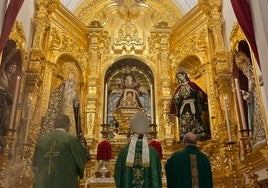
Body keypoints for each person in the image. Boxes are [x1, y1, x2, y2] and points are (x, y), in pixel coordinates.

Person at [32, 114, 88, 188]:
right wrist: (83, 144)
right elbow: (82, 156)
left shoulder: (42, 140)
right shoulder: (71, 140)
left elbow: (35, 164)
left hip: (43, 183)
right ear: (67, 125)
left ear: (54, 125)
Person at [114, 110, 162, 188]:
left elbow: (118, 174)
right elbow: (157, 174)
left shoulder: (124, 151)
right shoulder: (152, 152)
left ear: (133, 132)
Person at [170, 70, 210, 141]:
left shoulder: (192, 85)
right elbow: (175, 98)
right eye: (177, 77)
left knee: (195, 118)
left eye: (179, 76)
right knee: (184, 120)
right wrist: (176, 98)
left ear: (184, 75)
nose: (179, 78)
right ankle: (185, 135)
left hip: (193, 106)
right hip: (183, 107)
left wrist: (199, 97)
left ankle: (197, 133)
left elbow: (200, 93)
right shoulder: (179, 88)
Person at [0, 61, 17, 153]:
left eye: (14, 68)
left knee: (5, 120)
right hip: (1, 99)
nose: (13, 69)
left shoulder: (10, 78)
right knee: (3, 118)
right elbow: (3, 62)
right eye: (11, 67)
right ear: (7, 67)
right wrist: (11, 54)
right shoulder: (3, 73)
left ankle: (2, 136)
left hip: (4, 101)